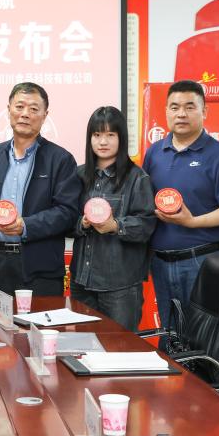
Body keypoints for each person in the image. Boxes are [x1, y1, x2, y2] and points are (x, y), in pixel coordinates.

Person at [142, 80, 219, 329]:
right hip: (161, 262)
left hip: (204, 260)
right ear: (166, 111)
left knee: (204, 338)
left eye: (190, 107)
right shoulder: (154, 153)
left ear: (204, 111)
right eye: (174, 107)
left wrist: (192, 222)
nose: (181, 114)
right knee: (171, 335)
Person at [0, 82, 80, 296]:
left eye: (34, 109)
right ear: (8, 110)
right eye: (19, 107)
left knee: (41, 318)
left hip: (40, 268)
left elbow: (68, 212)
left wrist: (26, 226)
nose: (25, 114)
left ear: (45, 115)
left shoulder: (60, 159)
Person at [69, 107, 156, 331]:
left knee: (120, 347)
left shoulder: (137, 178)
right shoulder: (78, 175)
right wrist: (81, 223)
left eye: (110, 135)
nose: (103, 141)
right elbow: (65, 218)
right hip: (81, 282)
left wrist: (115, 226)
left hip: (120, 286)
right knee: (82, 345)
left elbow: (147, 224)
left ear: (121, 138)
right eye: (97, 134)